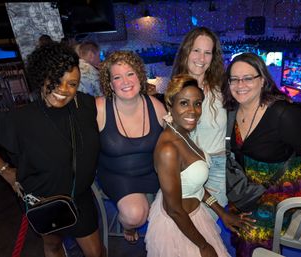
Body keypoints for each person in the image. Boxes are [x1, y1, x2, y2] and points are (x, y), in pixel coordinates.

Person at [222, 52, 301, 257]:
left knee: (251, 233)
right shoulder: (230, 111)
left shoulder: (283, 113)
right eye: (234, 79)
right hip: (248, 190)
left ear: (262, 79)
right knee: (238, 226)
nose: (241, 84)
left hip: (281, 193)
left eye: (248, 78)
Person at [0, 43, 105, 257]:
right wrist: (5, 171)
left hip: (79, 196)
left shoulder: (86, 105)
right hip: (42, 201)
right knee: (53, 246)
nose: (63, 89)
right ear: (42, 76)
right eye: (56, 80)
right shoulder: (21, 119)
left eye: (72, 84)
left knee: (96, 253)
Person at [145, 74, 254, 257]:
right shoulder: (168, 149)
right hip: (178, 227)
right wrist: (203, 246)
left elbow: (195, 187)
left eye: (197, 104)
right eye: (184, 103)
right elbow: (174, 210)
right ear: (170, 104)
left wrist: (222, 213)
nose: (193, 111)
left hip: (195, 217)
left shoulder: (182, 134)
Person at [96, 50, 166, 243]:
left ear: (139, 76)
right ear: (110, 84)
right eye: (117, 77)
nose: (126, 82)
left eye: (130, 74)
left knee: (170, 216)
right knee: (135, 215)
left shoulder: (155, 106)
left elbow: (174, 140)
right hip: (116, 174)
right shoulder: (100, 108)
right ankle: (127, 226)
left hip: (152, 173)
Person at [171, 27, 227, 220]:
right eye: (196, 50)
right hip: (186, 167)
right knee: (186, 222)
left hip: (217, 164)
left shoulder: (222, 88)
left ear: (213, 58)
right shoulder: (173, 90)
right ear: (186, 51)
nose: (201, 58)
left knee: (208, 222)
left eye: (207, 52)